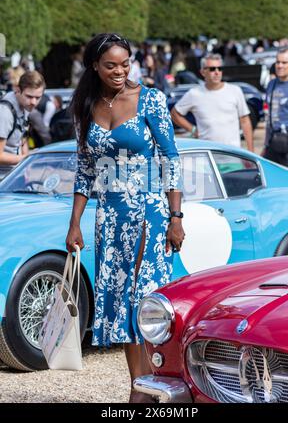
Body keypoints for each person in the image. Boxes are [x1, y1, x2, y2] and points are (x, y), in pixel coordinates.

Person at [65, 33, 184, 403]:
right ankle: (139, 386)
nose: (119, 71)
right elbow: (86, 171)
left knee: (143, 299)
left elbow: (170, 159)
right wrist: (75, 223)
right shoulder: (86, 105)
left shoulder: (150, 99)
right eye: (110, 65)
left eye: (125, 63)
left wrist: (176, 216)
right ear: (95, 67)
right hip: (110, 218)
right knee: (120, 303)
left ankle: (155, 387)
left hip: (148, 212)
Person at [170, 53, 254, 151]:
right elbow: (174, 114)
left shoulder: (235, 91)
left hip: (233, 156)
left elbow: (245, 121)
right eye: (212, 69)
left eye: (220, 68)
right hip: (207, 157)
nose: (217, 72)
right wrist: (193, 130)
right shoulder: (194, 94)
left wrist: (251, 151)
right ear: (202, 72)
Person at [0, 70, 45, 179]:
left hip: (15, 173)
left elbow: (23, 138)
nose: (33, 102)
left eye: (38, 97)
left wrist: (26, 168)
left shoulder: (25, 106)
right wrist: (28, 158)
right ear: (17, 90)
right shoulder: (5, 113)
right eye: (29, 96)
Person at [263, 47, 288, 169]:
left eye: (284, 62)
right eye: (277, 62)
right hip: (273, 145)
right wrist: (265, 145)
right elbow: (269, 117)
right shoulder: (271, 84)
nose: (280, 66)